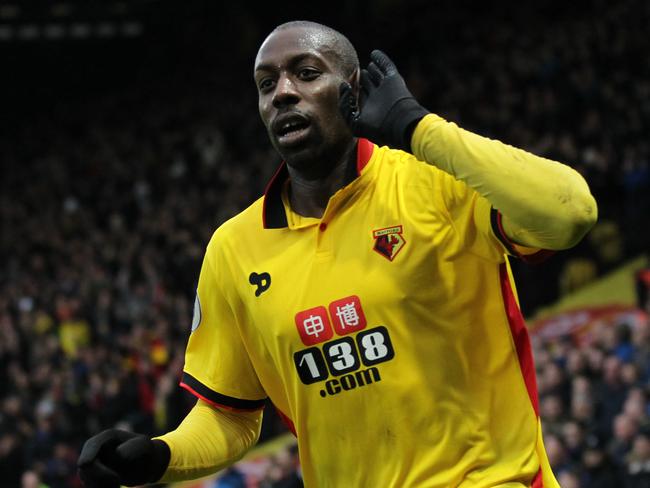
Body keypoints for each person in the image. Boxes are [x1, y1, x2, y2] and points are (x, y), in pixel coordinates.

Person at [77, 19, 597, 487]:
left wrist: (416, 125)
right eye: (266, 84)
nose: (282, 93)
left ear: (353, 92)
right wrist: (160, 456)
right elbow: (229, 414)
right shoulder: (233, 250)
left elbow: (569, 212)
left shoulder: (436, 183)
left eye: (305, 73)